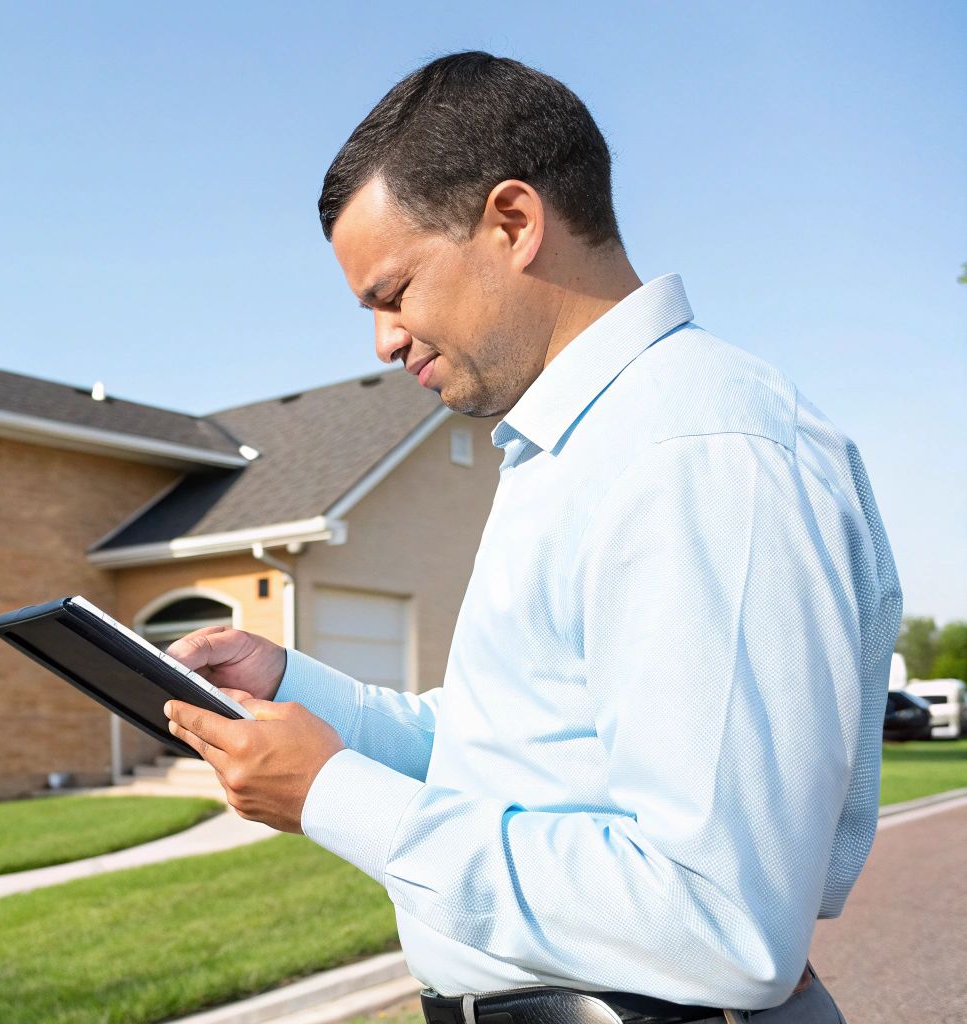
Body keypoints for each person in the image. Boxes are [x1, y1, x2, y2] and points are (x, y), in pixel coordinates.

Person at [159, 51, 898, 1024]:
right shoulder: (571, 448)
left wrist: (331, 793)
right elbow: (495, 751)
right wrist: (289, 684)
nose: (381, 342)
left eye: (392, 292)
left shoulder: (688, 451)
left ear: (512, 221)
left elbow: (722, 920)